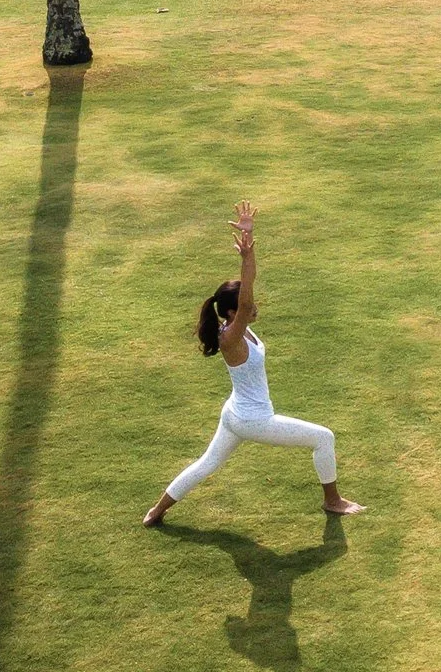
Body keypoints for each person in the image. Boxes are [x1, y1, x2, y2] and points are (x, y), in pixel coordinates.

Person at [144, 202, 365, 526]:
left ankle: (156, 512)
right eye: (247, 305)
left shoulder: (235, 328)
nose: (254, 305)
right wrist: (247, 256)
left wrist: (248, 245)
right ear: (233, 313)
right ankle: (333, 501)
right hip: (253, 420)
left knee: (206, 464)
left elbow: (245, 299)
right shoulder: (231, 336)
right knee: (324, 437)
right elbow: (246, 298)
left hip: (234, 413)